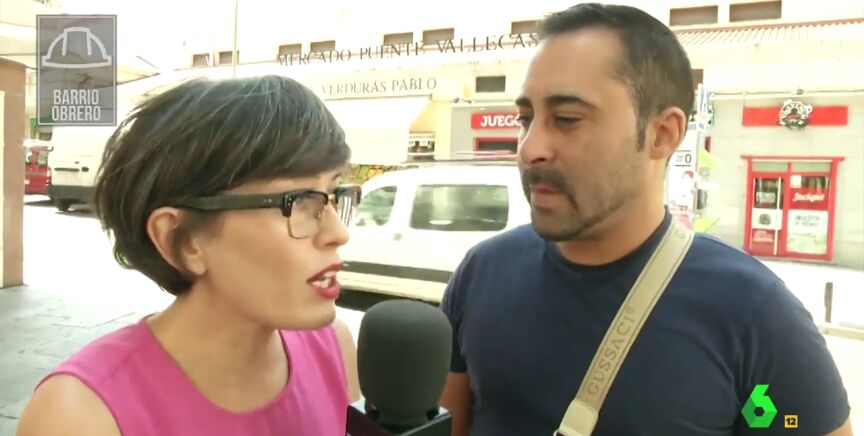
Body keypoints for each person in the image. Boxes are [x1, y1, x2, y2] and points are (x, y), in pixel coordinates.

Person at [439, 4, 853, 436]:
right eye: (525, 119)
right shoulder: (482, 273)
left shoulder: (754, 313)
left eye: (566, 119)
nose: (529, 148)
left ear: (662, 134)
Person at [16, 75, 362, 436]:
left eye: (334, 194)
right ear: (182, 239)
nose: (339, 233)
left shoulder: (332, 346)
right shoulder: (79, 415)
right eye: (301, 202)